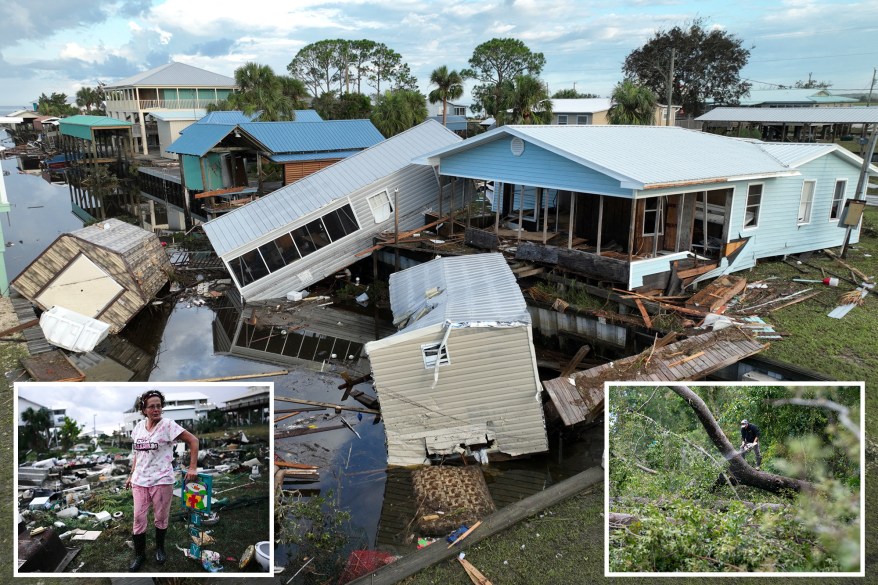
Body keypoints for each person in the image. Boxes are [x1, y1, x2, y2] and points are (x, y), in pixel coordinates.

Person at [125, 389, 199, 571]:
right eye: (152, 406)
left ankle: (160, 548)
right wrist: (131, 473)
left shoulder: (168, 425)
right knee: (138, 518)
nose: (156, 409)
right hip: (140, 480)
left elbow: (194, 440)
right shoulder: (138, 428)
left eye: (159, 406)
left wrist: (192, 467)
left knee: (160, 517)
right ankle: (140, 555)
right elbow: (137, 454)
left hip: (162, 479)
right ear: (144, 409)